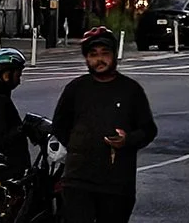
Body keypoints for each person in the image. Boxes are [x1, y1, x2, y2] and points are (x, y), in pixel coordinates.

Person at [52, 26, 157, 223]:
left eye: (105, 53)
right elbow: (59, 125)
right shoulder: (76, 89)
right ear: (86, 58)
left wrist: (127, 140)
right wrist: (79, 145)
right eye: (93, 55)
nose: (99, 60)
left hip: (116, 184)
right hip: (78, 180)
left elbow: (148, 129)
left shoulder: (131, 90)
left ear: (114, 55)